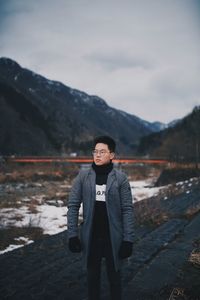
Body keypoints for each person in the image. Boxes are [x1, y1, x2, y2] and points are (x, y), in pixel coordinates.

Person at [67, 135, 134, 300]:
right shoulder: (83, 177)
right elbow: (73, 206)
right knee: (92, 281)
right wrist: (72, 235)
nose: (97, 155)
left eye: (102, 152)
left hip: (114, 238)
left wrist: (128, 239)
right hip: (91, 237)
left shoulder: (120, 178)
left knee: (115, 281)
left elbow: (127, 209)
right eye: (95, 151)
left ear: (112, 155)